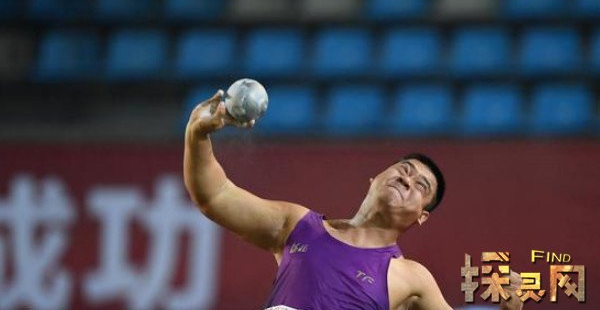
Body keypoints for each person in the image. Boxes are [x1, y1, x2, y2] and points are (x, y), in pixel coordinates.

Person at [183, 90, 523, 310]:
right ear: (374, 179)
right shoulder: (298, 226)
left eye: (421, 186)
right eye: (404, 169)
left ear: (421, 216)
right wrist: (197, 134)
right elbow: (216, 195)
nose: (407, 179)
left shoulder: (411, 278)